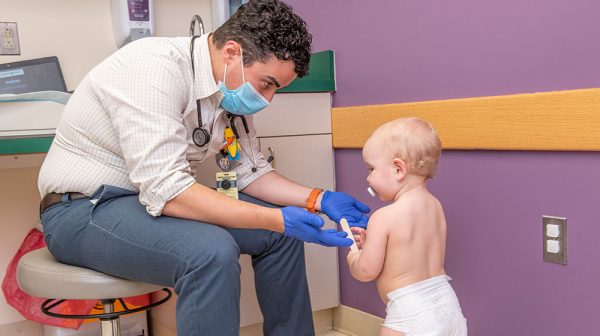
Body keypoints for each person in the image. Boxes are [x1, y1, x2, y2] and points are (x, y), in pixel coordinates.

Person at [37, 1, 370, 335]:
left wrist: (318, 198)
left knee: (279, 237)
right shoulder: (152, 67)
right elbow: (168, 191)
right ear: (231, 52)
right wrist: (279, 218)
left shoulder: (227, 92)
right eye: (267, 83)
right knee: (212, 252)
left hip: (144, 202)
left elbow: (249, 172)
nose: (268, 99)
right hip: (82, 210)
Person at [346, 117, 467, 336]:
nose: (368, 178)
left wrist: (354, 256)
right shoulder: (435, 206)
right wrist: (372, 242)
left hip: (410, 314)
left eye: (371, 169)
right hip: (448, 306)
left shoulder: (383, 217)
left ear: (398, 169)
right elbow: (411, 251)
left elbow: (366, 271)